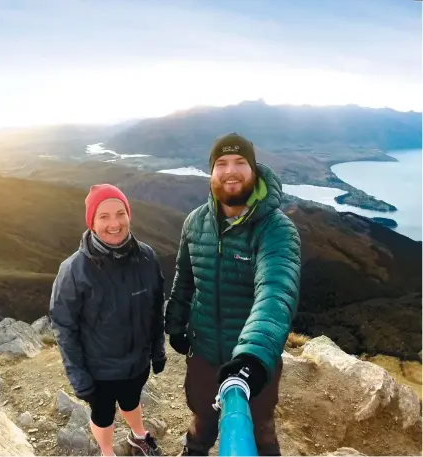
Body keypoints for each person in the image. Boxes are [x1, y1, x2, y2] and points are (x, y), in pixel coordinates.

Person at [165, 132, 302, 456]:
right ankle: (194, 450)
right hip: (204, 351)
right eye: (222, 163)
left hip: (254, 358)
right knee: (202, 418)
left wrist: (251, 358)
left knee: (260, 431)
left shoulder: (276, 229)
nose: (230, 170)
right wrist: (175, 323)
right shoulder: (195, 223)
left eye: (240, 162)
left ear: (254, 170)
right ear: (211, 172)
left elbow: (276, 291)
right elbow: (184, 280)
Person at [49, 183, 166, 456]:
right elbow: (64, 327)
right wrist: (78, 377)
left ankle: (139, 436)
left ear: (129, 215)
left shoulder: (146, 258)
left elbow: (155, 308)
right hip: (98, 370)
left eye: (120, 213)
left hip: (137, 362)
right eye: (103, 216)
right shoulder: (73, 271)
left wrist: (157, 350)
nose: (114, 223)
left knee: (131, 400)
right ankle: (107, 452)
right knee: (103, 415)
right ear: (91, 222)